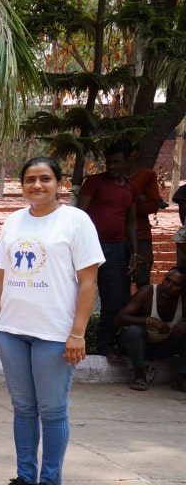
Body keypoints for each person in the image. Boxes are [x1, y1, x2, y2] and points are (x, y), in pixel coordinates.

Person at [0, 156, 103, 485]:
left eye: (45, 179)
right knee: (23, 409)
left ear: (59, 183)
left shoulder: (76, 222)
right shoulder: (14, 221)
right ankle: (25, 476)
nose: (37, 185)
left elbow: (88, 281)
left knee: (52, 410)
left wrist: (78, 333)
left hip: (54, 334)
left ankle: (48, 481)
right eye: (30, 179)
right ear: (22, 185)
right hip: (13, 332)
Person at [76, 141, 137, 356]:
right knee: (75, 293)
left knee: (114, 298)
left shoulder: (130, 188)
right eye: (109, 162)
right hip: (88, 248)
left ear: (128, 162)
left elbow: (131, 222)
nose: (111, 166)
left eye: (117, 162)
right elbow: (79, 215)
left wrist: (134, 253)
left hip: (117, 249)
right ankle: (72, 341)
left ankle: (106, 345)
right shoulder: (93, 183)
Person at [113, 266, 186, 392]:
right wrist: (149, 320)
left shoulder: (184, 301)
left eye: (176, 285)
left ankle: (182, 378)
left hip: (164, 347)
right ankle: (139, 375)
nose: (168, 286)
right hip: (136, 346)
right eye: (167, 280)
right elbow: (119, 318)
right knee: (134, 331)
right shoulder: (147, 293)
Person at [125, 146, 162, 289]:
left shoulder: (147, 175)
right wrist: (138, 199)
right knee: (118, 282)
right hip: (116, 238)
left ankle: (142, 310)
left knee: (142, 281)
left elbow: (153, 205)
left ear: (136, 154)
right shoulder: (112, 178)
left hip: (141, 235)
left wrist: (126, 208)